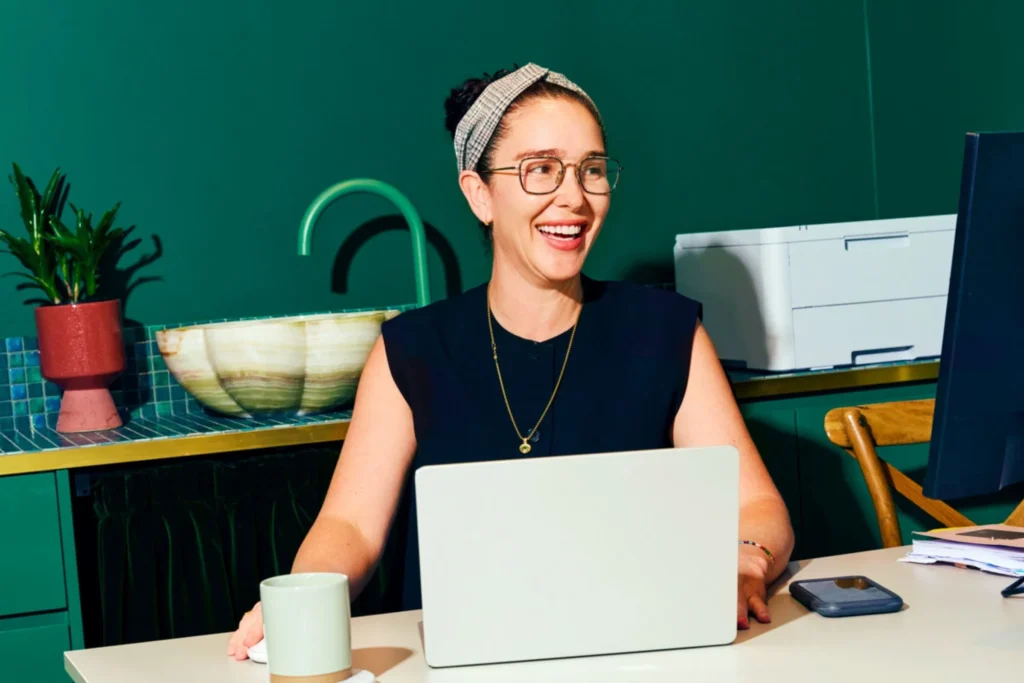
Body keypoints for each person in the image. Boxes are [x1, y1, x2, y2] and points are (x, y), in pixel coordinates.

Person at [227, 62, 794, 660]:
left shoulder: (667, 331)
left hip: (644, 655)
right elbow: (350, 528)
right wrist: (304, 596)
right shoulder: (411, 350)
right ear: (480, 194)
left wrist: (746, 558)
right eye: (541, 170)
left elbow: (757, 506)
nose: (572, 197)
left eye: (591, 171)